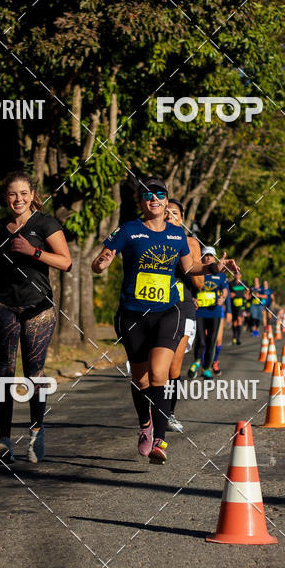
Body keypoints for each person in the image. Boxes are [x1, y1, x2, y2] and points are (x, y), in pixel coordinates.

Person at [92, 178, 237, 464]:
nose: (154, 199)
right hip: (133, 315)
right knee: (140, 378)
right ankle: (144, 423)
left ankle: (160, 440)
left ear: (165, 199)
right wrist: (101, 262)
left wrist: (215, 266)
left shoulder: (176, 234)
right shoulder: (129, 230)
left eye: (160, 194)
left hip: (167, 313)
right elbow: (100, 261)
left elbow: (189, 267)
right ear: (142, 201)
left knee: (160, 374)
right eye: (148, 195)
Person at [0, 171, 71, 464]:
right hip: (3, 305)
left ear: (32, 194)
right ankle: (3, 440)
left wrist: (34, 251)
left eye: (24, 193)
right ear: (5, 197)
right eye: (13, 194)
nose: (18, 199)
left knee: (33, 373)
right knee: (3, 374)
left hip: (38, 307)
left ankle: (36, 432)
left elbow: (66, 262)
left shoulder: (45, 223)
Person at [164, 199, 200, 433]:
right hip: (152, 305)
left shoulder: (190, 242)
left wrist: (195, 263)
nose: (169, 216)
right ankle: (152, 410)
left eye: (174, 213)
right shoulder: (150, 237)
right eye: (166, 212)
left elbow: (199, 282)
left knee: (173, 368)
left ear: (182, 219)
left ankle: (169, 412)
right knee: (152, 368)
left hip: (182, 306)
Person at [190, 247, 229, 379]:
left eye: (210, 256)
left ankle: (206, 368)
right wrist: (192, 298)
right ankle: (196, 362)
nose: (208, 258)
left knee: (211, 341)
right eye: (205, 256)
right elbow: (189, 290)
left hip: (215, 312)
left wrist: (222, 298)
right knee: (200, 340)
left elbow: (225, 290)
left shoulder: (221, 274)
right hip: (200, 311)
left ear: (214, 258)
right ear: (201, 258)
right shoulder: (196, 272)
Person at [230, 278, 249, 345]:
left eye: (238, 274)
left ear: (240, 276)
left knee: (239, 319)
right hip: (234, 305)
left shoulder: (244, 282)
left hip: (241, 305)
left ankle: (238, 338)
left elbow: (248, 289)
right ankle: (234, 336)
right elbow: (228, 292)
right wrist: (230, 294)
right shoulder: (231, 283)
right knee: (234, 321)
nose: (237, 275)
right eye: (236, 274)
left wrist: (247, 295)